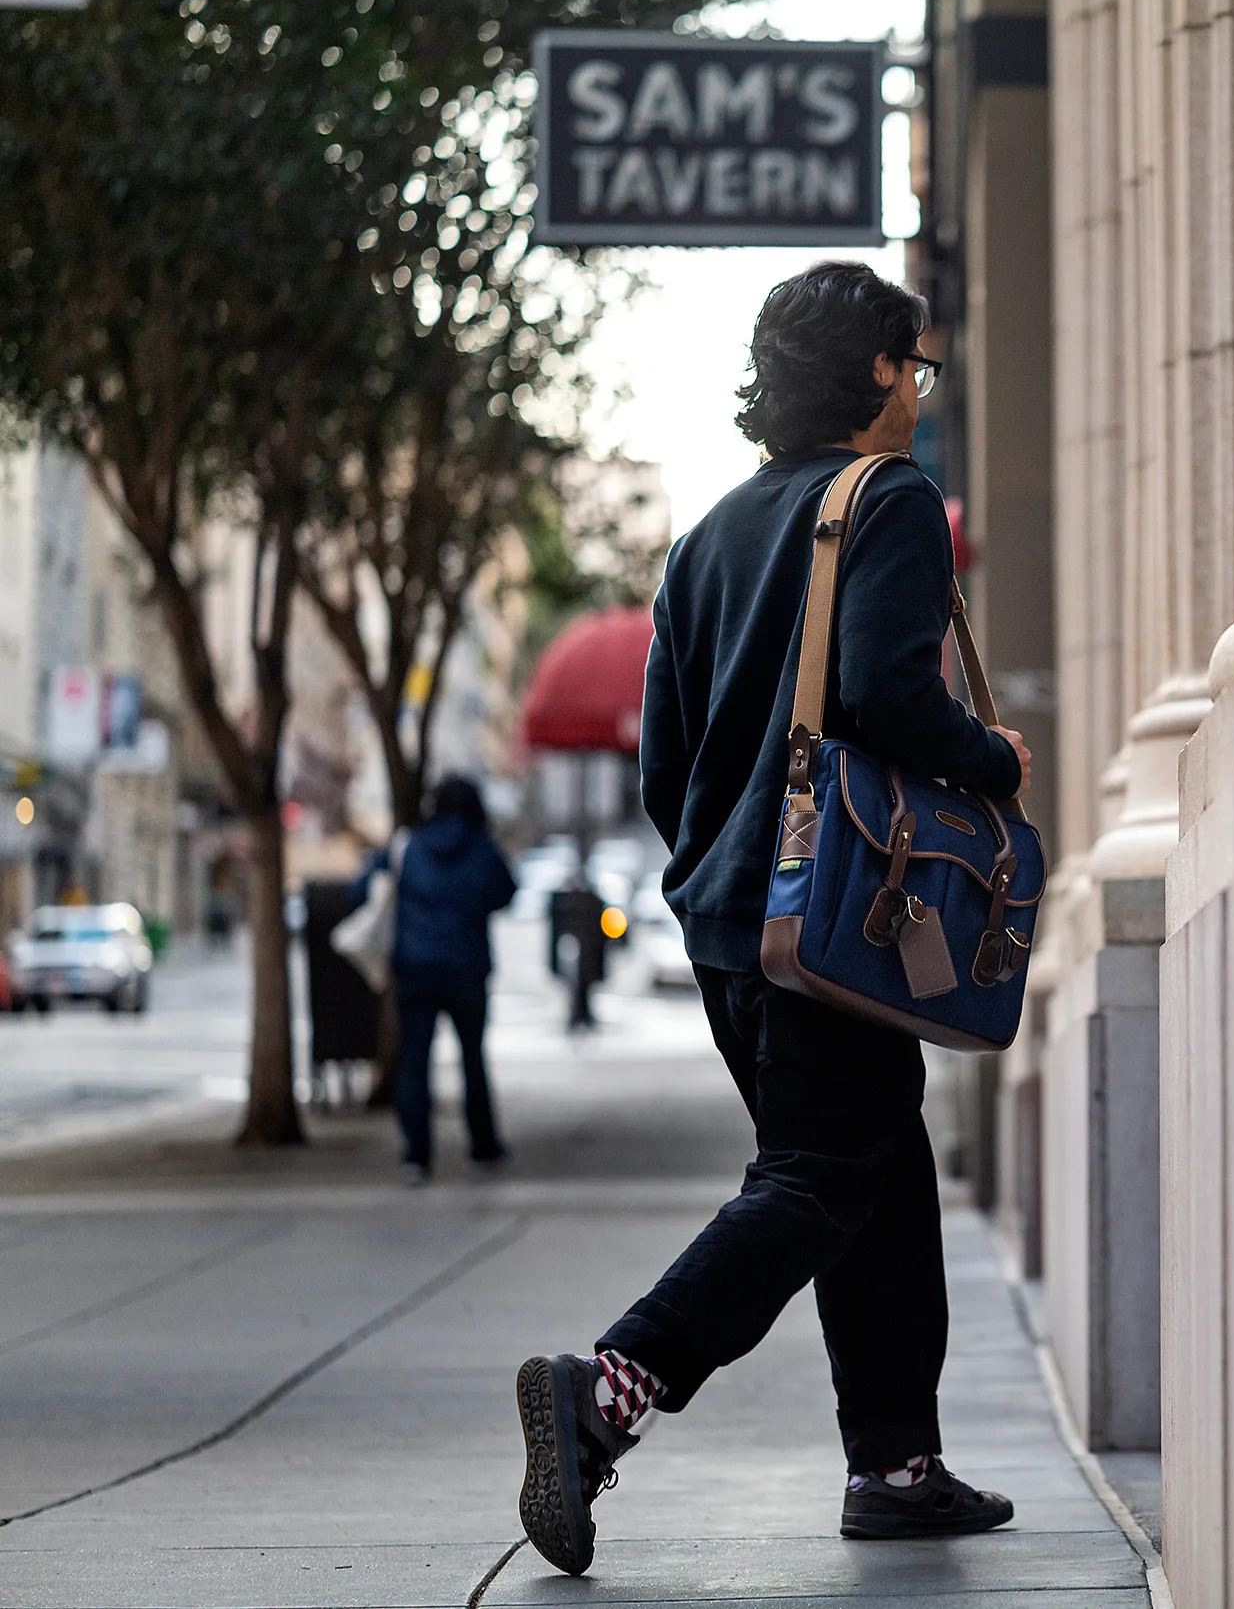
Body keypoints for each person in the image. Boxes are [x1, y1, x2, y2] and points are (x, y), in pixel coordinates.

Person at [513, 261, 1033, 1576]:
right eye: (911, 369)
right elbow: (884, 696)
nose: (919, 393)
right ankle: (605, 1395)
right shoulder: (893, 501)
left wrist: (721, 878)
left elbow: (665, 769)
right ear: (873, 372)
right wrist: (994, 759)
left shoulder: (710, 536)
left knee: (877, 1175)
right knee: (814, 1179)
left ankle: (897, 1467)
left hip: (735, 924)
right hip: (839, 920)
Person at [365, 775, 519, 1183]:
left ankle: (416, 1156)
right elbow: (506, 892)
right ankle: (482, 1146)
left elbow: (363, 885)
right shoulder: (482, 848)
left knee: (415, 1061)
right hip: (467, 969)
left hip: (414, 969)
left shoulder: (407, 847)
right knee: (472, 1058)